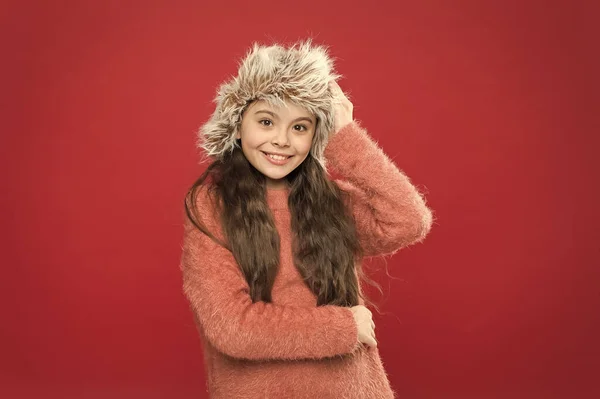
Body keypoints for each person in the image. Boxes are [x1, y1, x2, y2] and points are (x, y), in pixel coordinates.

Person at [179, 40, 434, 399]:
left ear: (317, 134)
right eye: (266, 121)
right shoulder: (212, 206)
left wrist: (345, 137)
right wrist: (345, 327)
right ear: (237, 125)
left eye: (300, 127)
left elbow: (408, 220)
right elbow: (233, 328)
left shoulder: (331, 200)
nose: (282, 140)